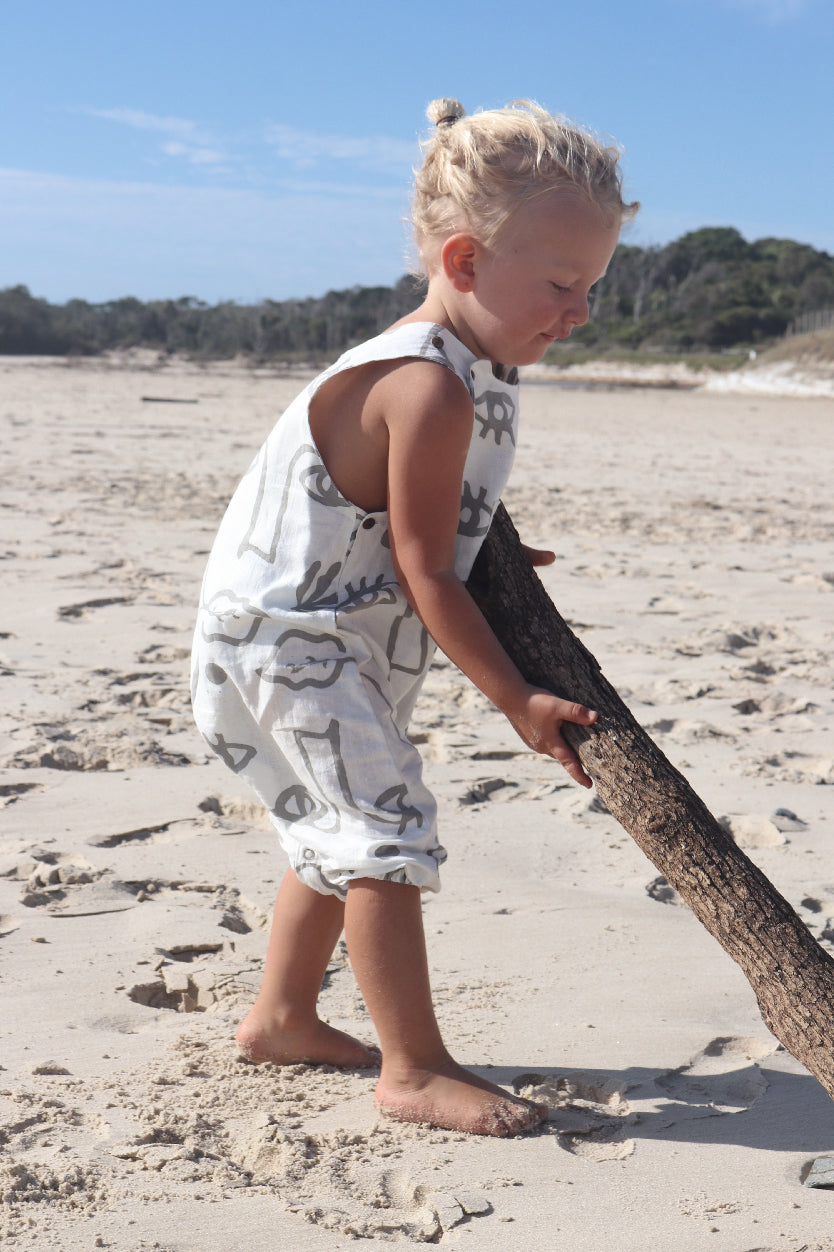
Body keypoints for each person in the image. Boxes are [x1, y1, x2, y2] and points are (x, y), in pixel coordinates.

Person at [191, 97, 638, 1136]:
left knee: (330, 837)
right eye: (562, 284)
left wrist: (487, 545)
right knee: (385, 830)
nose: (580, 310)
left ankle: (281, 1017)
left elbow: (418, 519)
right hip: (288, 642)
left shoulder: (478, 363)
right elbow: (424, 568)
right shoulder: (424, 383)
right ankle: (414, 1066)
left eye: (594, 288)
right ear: (468, 260)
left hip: (330, 638)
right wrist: (517, 695)